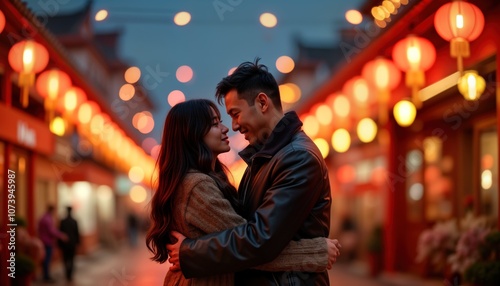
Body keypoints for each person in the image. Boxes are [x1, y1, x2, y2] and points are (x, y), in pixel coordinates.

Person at [166, 59, 333, 285]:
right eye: (220, 121)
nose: (232, 126)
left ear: (262, 103)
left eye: (235, 113)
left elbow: (260, 241)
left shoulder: (297, 157)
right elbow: (252, 236)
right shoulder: (264, 158)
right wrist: (315, 252)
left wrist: (190, 253)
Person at [38, 205, 67, 283]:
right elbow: (51, 231)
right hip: (47, 241)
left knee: (46, 259)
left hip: (44, 240)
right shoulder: (48, 219)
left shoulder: (44, 217)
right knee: (47, 259)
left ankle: (46, 275)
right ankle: (46, 276)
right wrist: (61, 235)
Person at [58, 206, 80, 282]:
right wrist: (78, 242)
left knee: (65, 259)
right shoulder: (74, 221)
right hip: (72, 244)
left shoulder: (63, 221)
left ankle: (67, 273)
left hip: (65, 244)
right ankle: (70, 274)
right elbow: (77, 233)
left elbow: (60, 232)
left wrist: (59, 244)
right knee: (71, 259)